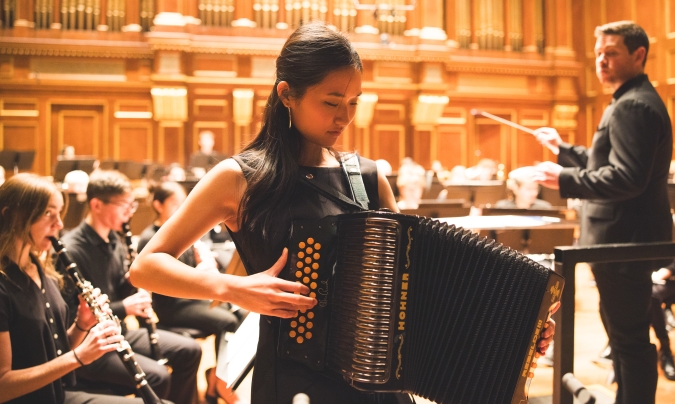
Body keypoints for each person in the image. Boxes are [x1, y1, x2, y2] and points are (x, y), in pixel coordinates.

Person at [129, 23, 556, 404]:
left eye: (354, 102)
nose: (345, 117)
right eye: (332, 102)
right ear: (286, 95)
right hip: (294, 384)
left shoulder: (368, 178)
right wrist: (231, 288)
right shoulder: (239, 178)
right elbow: (146, 266)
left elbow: (423, 288)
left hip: (381, 387)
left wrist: (516, 334)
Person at [534, 21, 673, 404]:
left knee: (629, 342)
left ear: (638, 55)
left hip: (622, 241)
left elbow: (627, 178)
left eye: (611, 53)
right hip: (618, 241)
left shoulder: (633, 105)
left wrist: (564, 180)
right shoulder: (629, 100)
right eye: (598, 54)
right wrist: (563, 149)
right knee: (623, 338)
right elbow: (606, 161)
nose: (602, 61)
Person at [56, 170, 202, 404]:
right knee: (158, 376)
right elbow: (71, 315)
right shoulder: (72, 251)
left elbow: (117, 290)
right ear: (96, 205)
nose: (129, 211)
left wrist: (135, 283)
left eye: (131, 204)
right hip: (91, 343)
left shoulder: (115, 240)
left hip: (120, 332)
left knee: (190, 350)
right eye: (123, 204)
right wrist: (125, 306)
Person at [0, 173, 143, 404]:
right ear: (11, 216)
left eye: (59, 214)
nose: (59, 224)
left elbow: (52, 349)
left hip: (56, 394)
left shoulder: (42, 270)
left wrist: (81, 325)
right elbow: (2, 386)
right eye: (48, 213)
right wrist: (78, 358)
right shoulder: (3, 285)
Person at [137, 181, 243, 404]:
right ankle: (219, 381)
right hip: (172, 305)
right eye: (175, 203)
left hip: (190, 298)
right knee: (227, 321)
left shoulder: (179, 231)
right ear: (158, 205)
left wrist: (204, 264)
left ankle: (218, 375)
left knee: (239, 314)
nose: (181, 207)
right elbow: (166, 280)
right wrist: (199, 275)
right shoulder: (150, 237)